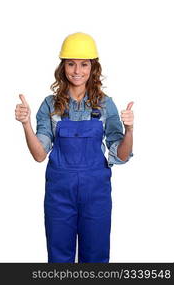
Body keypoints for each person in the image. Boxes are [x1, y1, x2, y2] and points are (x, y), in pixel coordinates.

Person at [15, 32, 134, 263]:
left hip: (96, 193)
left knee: (96, 259)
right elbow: (39, 155)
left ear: (93, 68)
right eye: (71, 63)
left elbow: (122, 154)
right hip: (60, 193)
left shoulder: (105, 104)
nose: (77, 71)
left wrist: (129, 130)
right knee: (59, 260)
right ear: (63, 67)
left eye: (83, 64)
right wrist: (26, 124)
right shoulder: (50, 105)